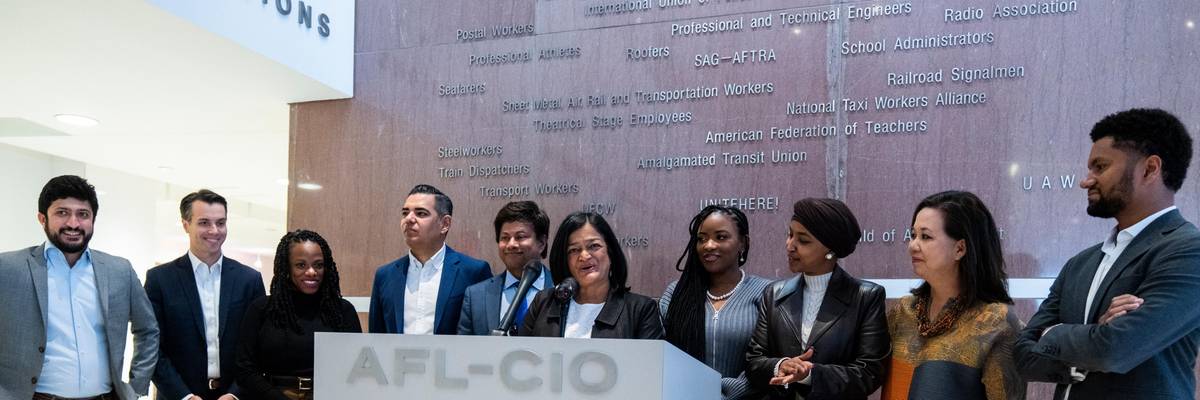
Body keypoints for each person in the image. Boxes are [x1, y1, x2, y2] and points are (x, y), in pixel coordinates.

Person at [1014, 108, 1200, 399]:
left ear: (1150, 169)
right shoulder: (1080, 264)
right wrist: (1093, 339)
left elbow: (1115, 349)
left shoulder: (1188, 251)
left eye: (1099, 167)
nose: (1086, 181)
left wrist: (1052, 333)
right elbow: (1024, 357)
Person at [0, 175, 159, 400]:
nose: (73, 224)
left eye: (83, 214)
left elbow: (148, 329)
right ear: (42, 218)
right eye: (62, 212)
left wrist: (135, 388)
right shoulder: (8, 268)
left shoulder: (119, 270)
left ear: (93, 219)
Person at [881, 191, 1025, 400]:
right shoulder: (903, 311)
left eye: (925, 237)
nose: (912, 246)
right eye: (913, 235)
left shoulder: (996, 322)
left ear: (960, 248)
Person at [745, 198, 890, 400]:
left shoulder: (866, 297)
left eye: (803, 240)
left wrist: (810, 375)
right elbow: (754, 361)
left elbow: (870, 372)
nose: (790, 245)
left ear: (830, 250)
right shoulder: (774, 294)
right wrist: (781, 365)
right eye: (790, 235)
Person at [145, 190, 266, 400]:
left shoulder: (249, 280)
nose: (214, 230)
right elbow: (152, 348)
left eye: (221, 223)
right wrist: (185, 396)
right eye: (204, 223)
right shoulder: (160, 280)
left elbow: (259, 345)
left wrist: (235, 394)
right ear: (186, 225)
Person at [661, 205, 771, 399]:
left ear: (743, 243)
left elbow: (768, 359)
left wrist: (724, 394)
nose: (709, 245)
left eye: (721, 237)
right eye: (701, 239)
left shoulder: (766, 293)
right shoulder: (676, 293)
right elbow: (661, 353)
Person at [235, 230, 361, 400]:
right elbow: (245, 370)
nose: (311, 272)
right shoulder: (261, 309)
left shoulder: (343, 311)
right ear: (287, 267)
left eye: (318, 265)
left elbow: (355, 369)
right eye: (301, 265)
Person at [368, 184, 491, 334]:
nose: (409, 219)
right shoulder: (385, 275)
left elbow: (483, 333)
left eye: (421, 213)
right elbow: (377, 336)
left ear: (445, 224)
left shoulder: (473, 271)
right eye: (405, 213)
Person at [519, 212, 664, 339]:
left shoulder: (641, 310)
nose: (584, 256)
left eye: (594, 246)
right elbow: (520, 357)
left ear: (610, 252)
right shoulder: (543, 303)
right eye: (574, 250)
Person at [459, 201, 555, 335]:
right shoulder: (476, 296)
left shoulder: (560, 289)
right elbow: (464, 347)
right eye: (505, 238)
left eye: (520, 237)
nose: (511, 244)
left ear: (542, 243)